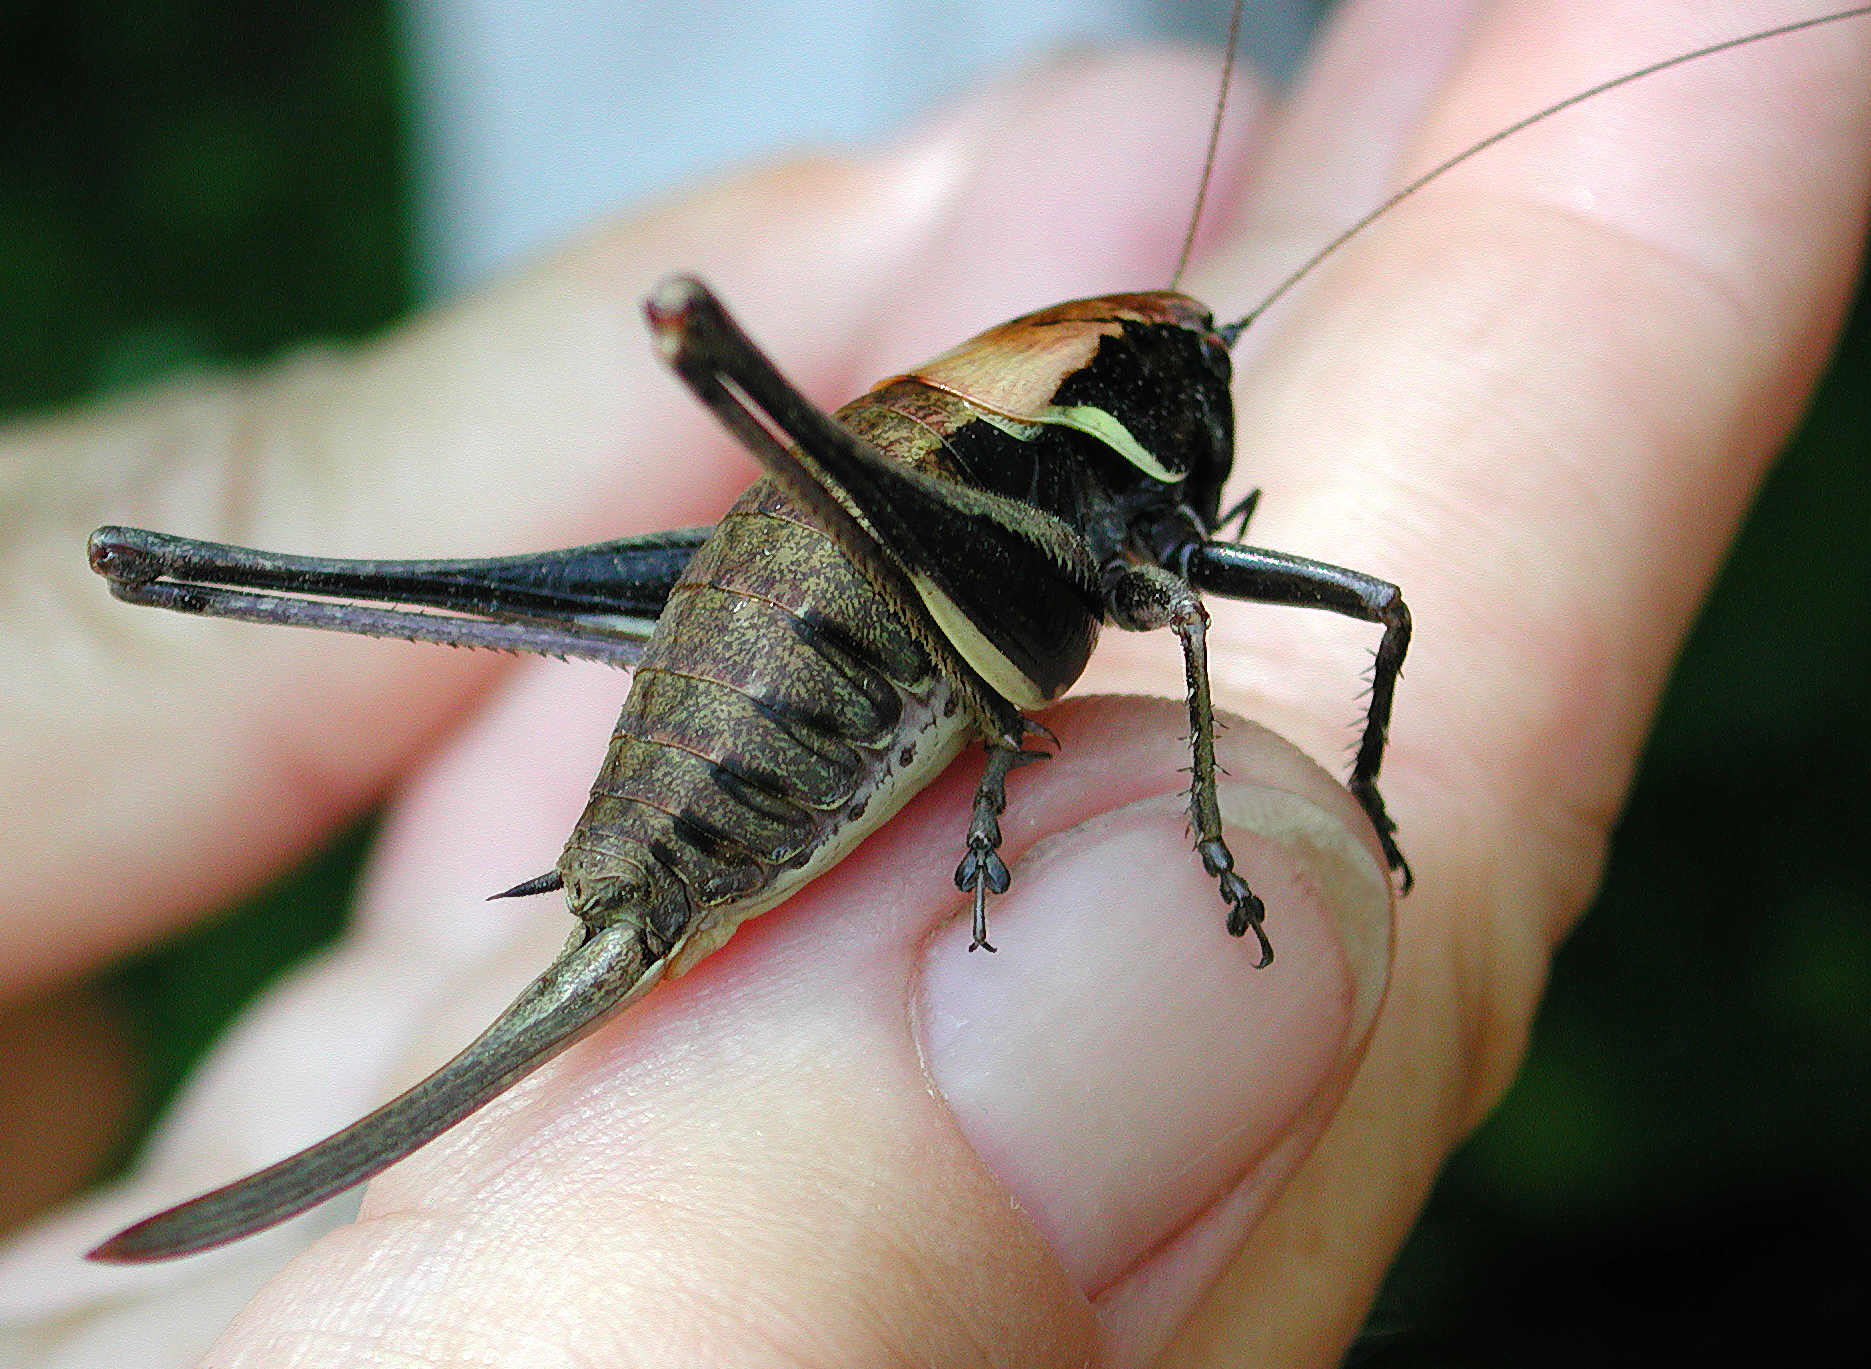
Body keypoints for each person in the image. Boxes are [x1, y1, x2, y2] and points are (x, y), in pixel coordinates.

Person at [1, 1, 1865, 1363]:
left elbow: (1084, 609)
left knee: (1321, 600)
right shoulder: (1054, 466)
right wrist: (1219, 832)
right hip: (810, 679)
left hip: (882, 584)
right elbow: (1178, 612)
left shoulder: (1050, 442)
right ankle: (207, 574)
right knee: (1301, 603)